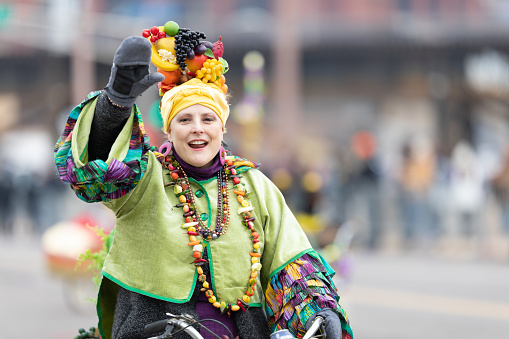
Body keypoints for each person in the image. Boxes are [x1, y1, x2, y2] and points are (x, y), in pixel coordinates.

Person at [54, 21, 353, 339]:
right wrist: (114, 105)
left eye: (208, 118)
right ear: (169, 130)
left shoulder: (253, 184)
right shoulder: (143, 179)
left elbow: (291, 258)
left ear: (222, 128)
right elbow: (94, 171)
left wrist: (319, 309)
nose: (198, 128)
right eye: (184, 119)